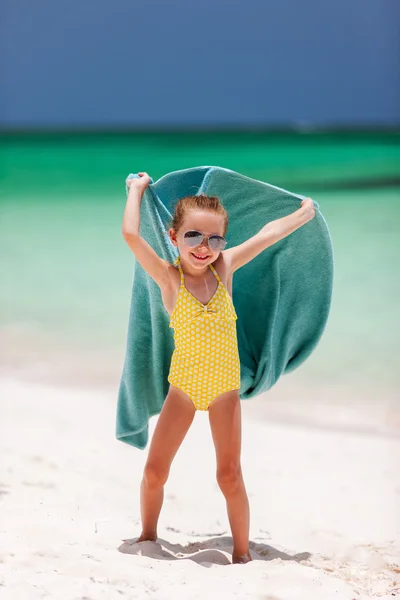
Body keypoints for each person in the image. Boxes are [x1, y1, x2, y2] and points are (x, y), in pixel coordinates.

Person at [122, 172, 315, 564]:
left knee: (229, 475)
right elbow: (131, 236)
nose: (204, 247)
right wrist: (136, 191)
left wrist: (303, 215)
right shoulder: (169, 278)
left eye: (214, 238)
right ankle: (147, 535)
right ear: (174, 237)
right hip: (184, 391)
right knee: (155, 472)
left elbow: (267, 235)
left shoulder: (224, 268)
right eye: (193, 236)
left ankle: (242, 555)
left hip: (225, 392)